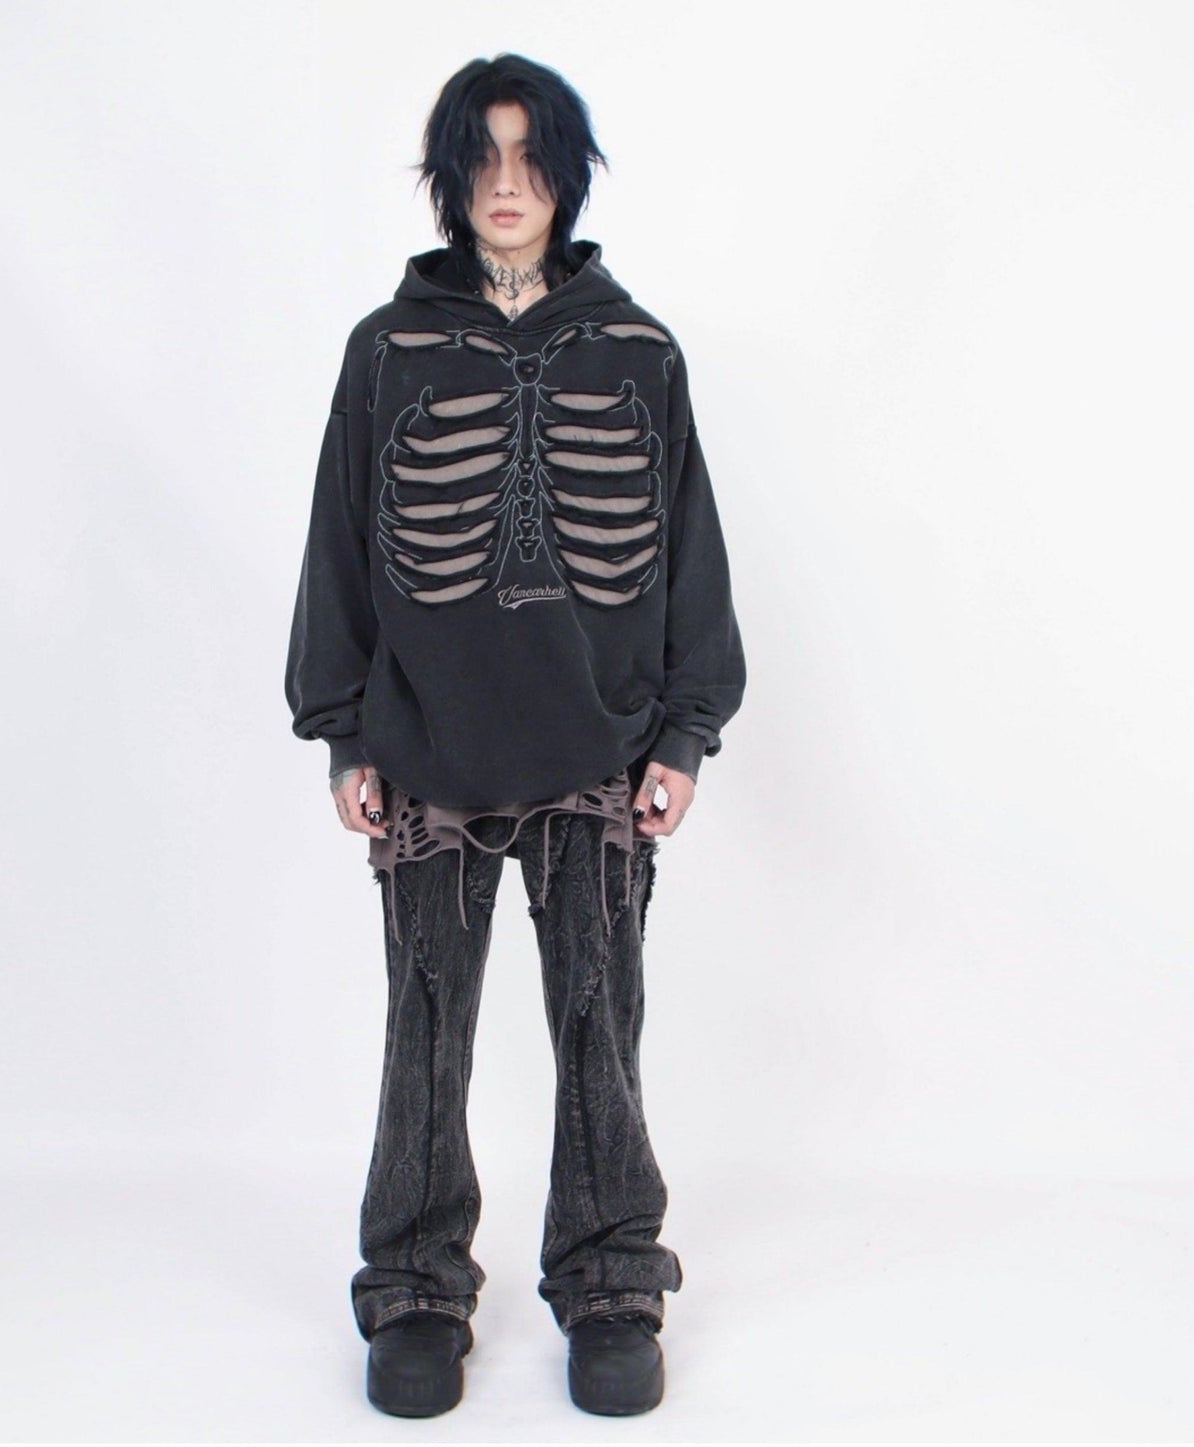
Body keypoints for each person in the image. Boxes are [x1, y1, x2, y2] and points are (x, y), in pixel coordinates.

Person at [284, 52, 746, 1418]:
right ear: (447, 175)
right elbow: (339, 546)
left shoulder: (638, 349)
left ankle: (611, 1282)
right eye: (480, 157)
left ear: (566, 174)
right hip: (424, 745)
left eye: (530, 156)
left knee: (599, 1028)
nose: (505, 184)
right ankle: (416, 1288)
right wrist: (343, 732)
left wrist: (683, 732)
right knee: (425, 1030)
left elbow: (689, 551)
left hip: (597, 750)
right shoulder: (386, 350)